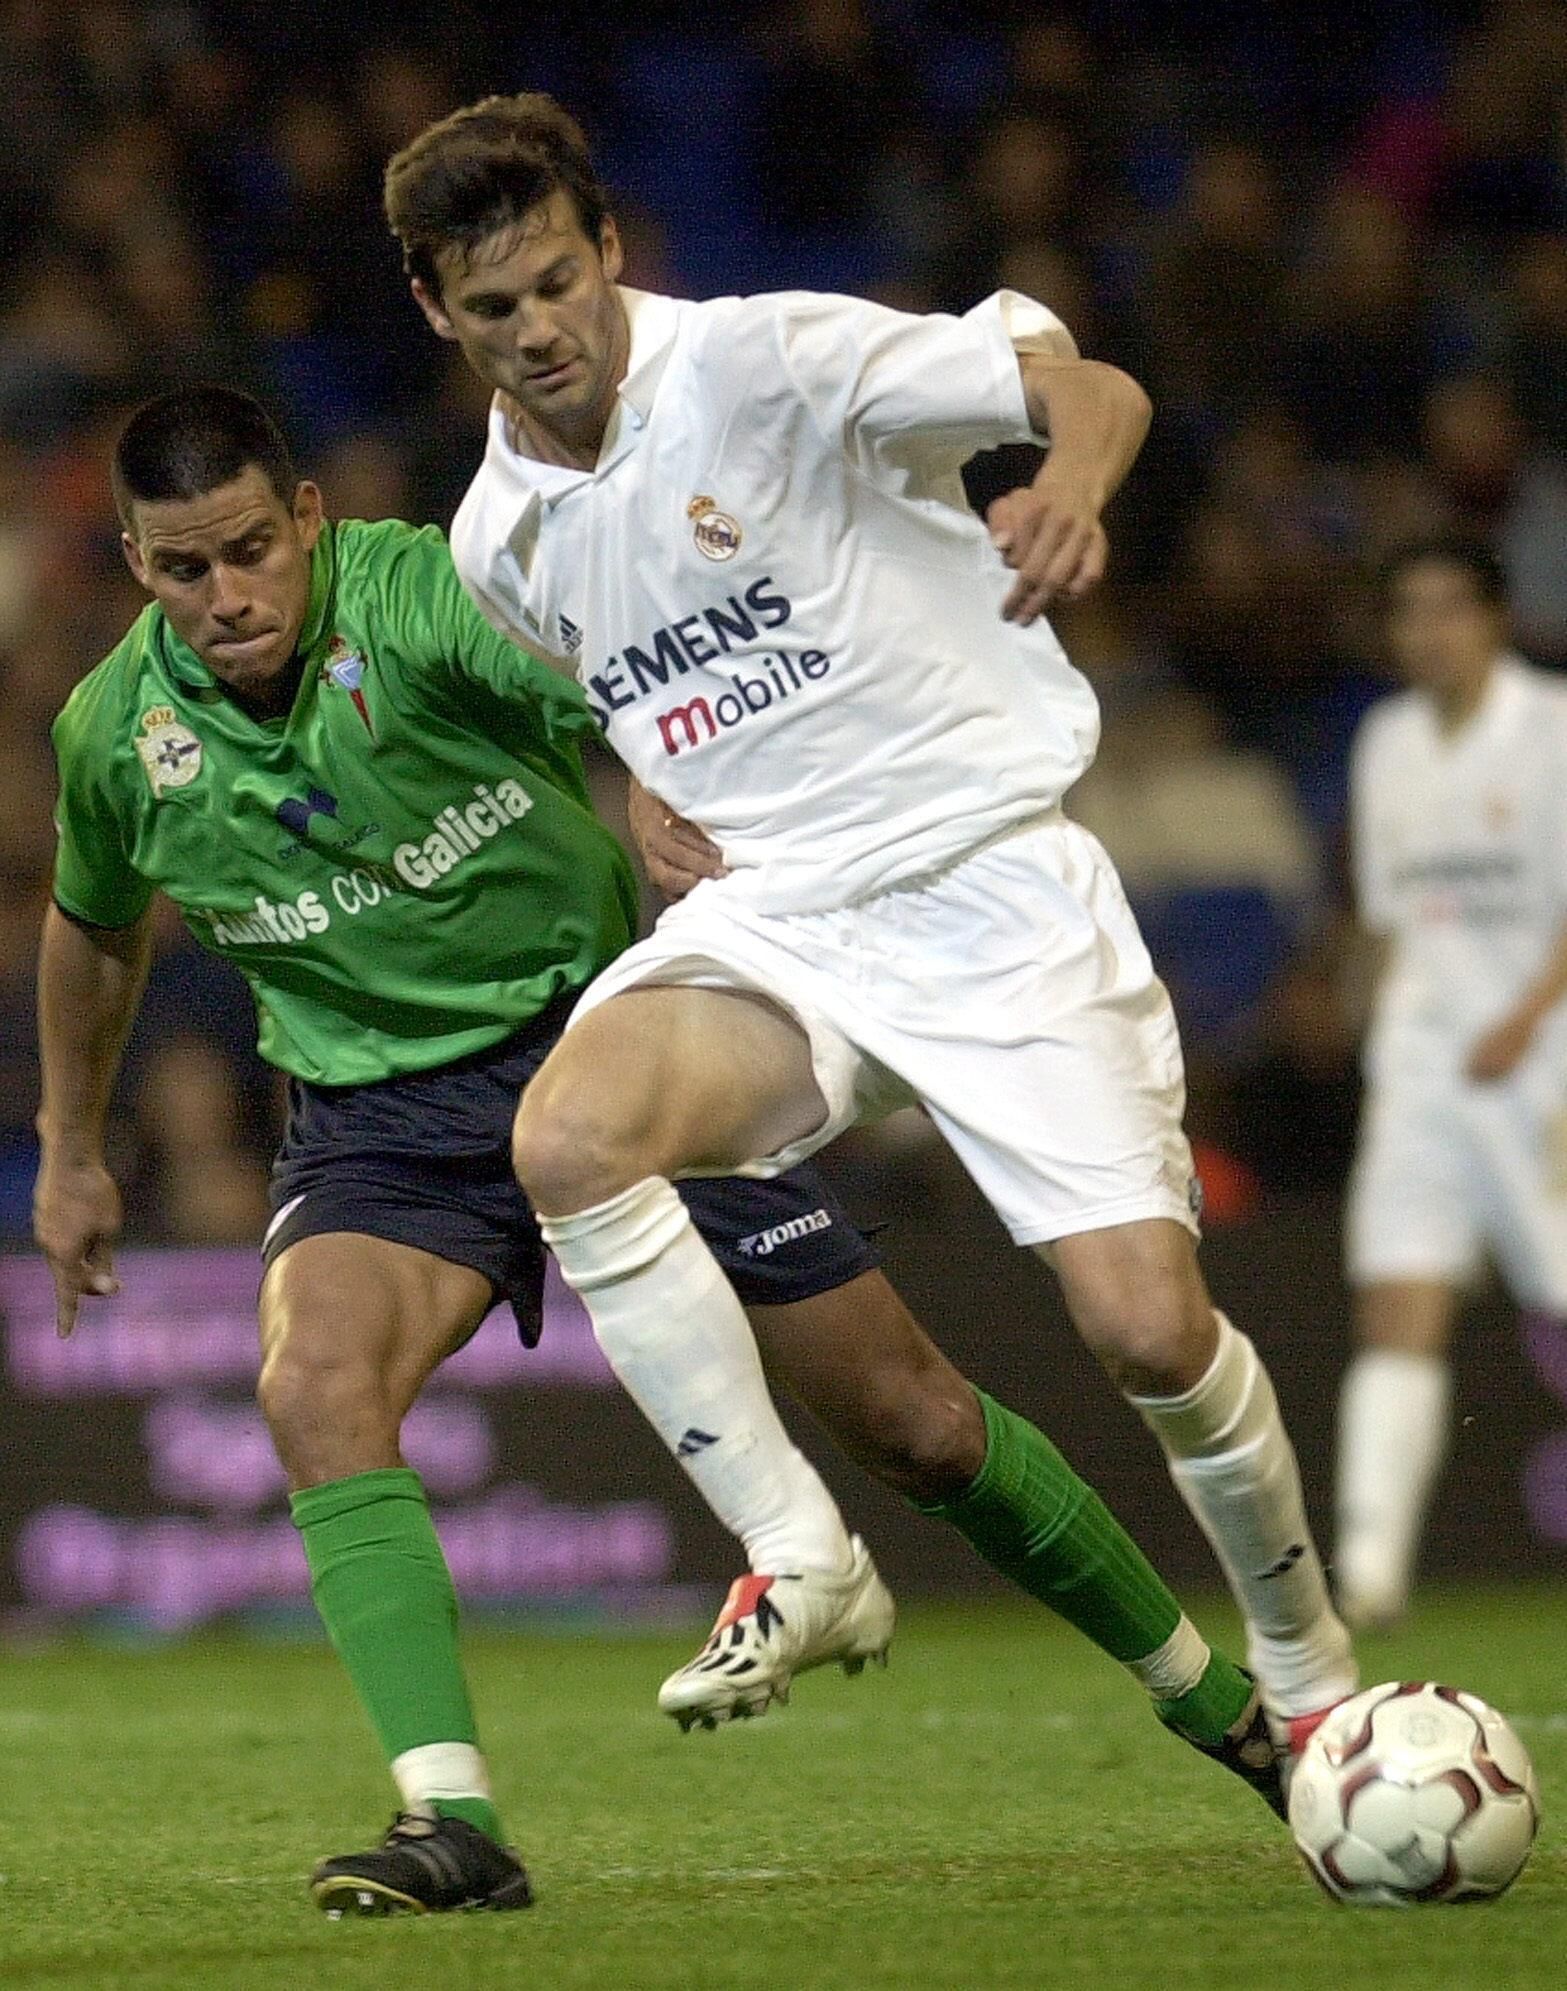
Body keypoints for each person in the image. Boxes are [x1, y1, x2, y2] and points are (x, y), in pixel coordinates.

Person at [37, 388, 1291, 1920]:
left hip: (601, 1057)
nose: (228, 597)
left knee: (913, 1423)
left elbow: (602, 664)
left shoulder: (417, 590)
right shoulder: (116, 736)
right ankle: (451, 1820)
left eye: (249, 549)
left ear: (306, 518)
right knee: (312, 1385)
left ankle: (1220, 1705)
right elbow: (93, 929)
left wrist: (644, 769)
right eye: (182, 569)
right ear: (130, 563)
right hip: (384, 1123)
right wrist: (70, 1144)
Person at [386, 93, 1357, 1763]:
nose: (537, 330)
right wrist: (644, 775)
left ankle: (1312, 1671)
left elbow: (1088, 384)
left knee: (1145, 1332)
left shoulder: (762, 362)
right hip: (786, 915)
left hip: (987, 881)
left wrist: (1068, 487)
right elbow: (635, 669)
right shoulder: (495, 537)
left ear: (610, 247)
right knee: (573, 1134)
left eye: (557, 282)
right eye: (493, 307)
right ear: (434, 310)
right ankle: (798, 1550)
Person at [1337, 534, 1567, 1626]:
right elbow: (1389, 915)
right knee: (1397, 1301)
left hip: (1544, 1063)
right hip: (1423, 1069)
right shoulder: (1384, 740)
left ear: (1493, 617)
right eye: (1408, 610)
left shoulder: (1553, 726)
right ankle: (1369, 1568)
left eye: (1448, 607)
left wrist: (1525, 1015)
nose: (1427, 631)